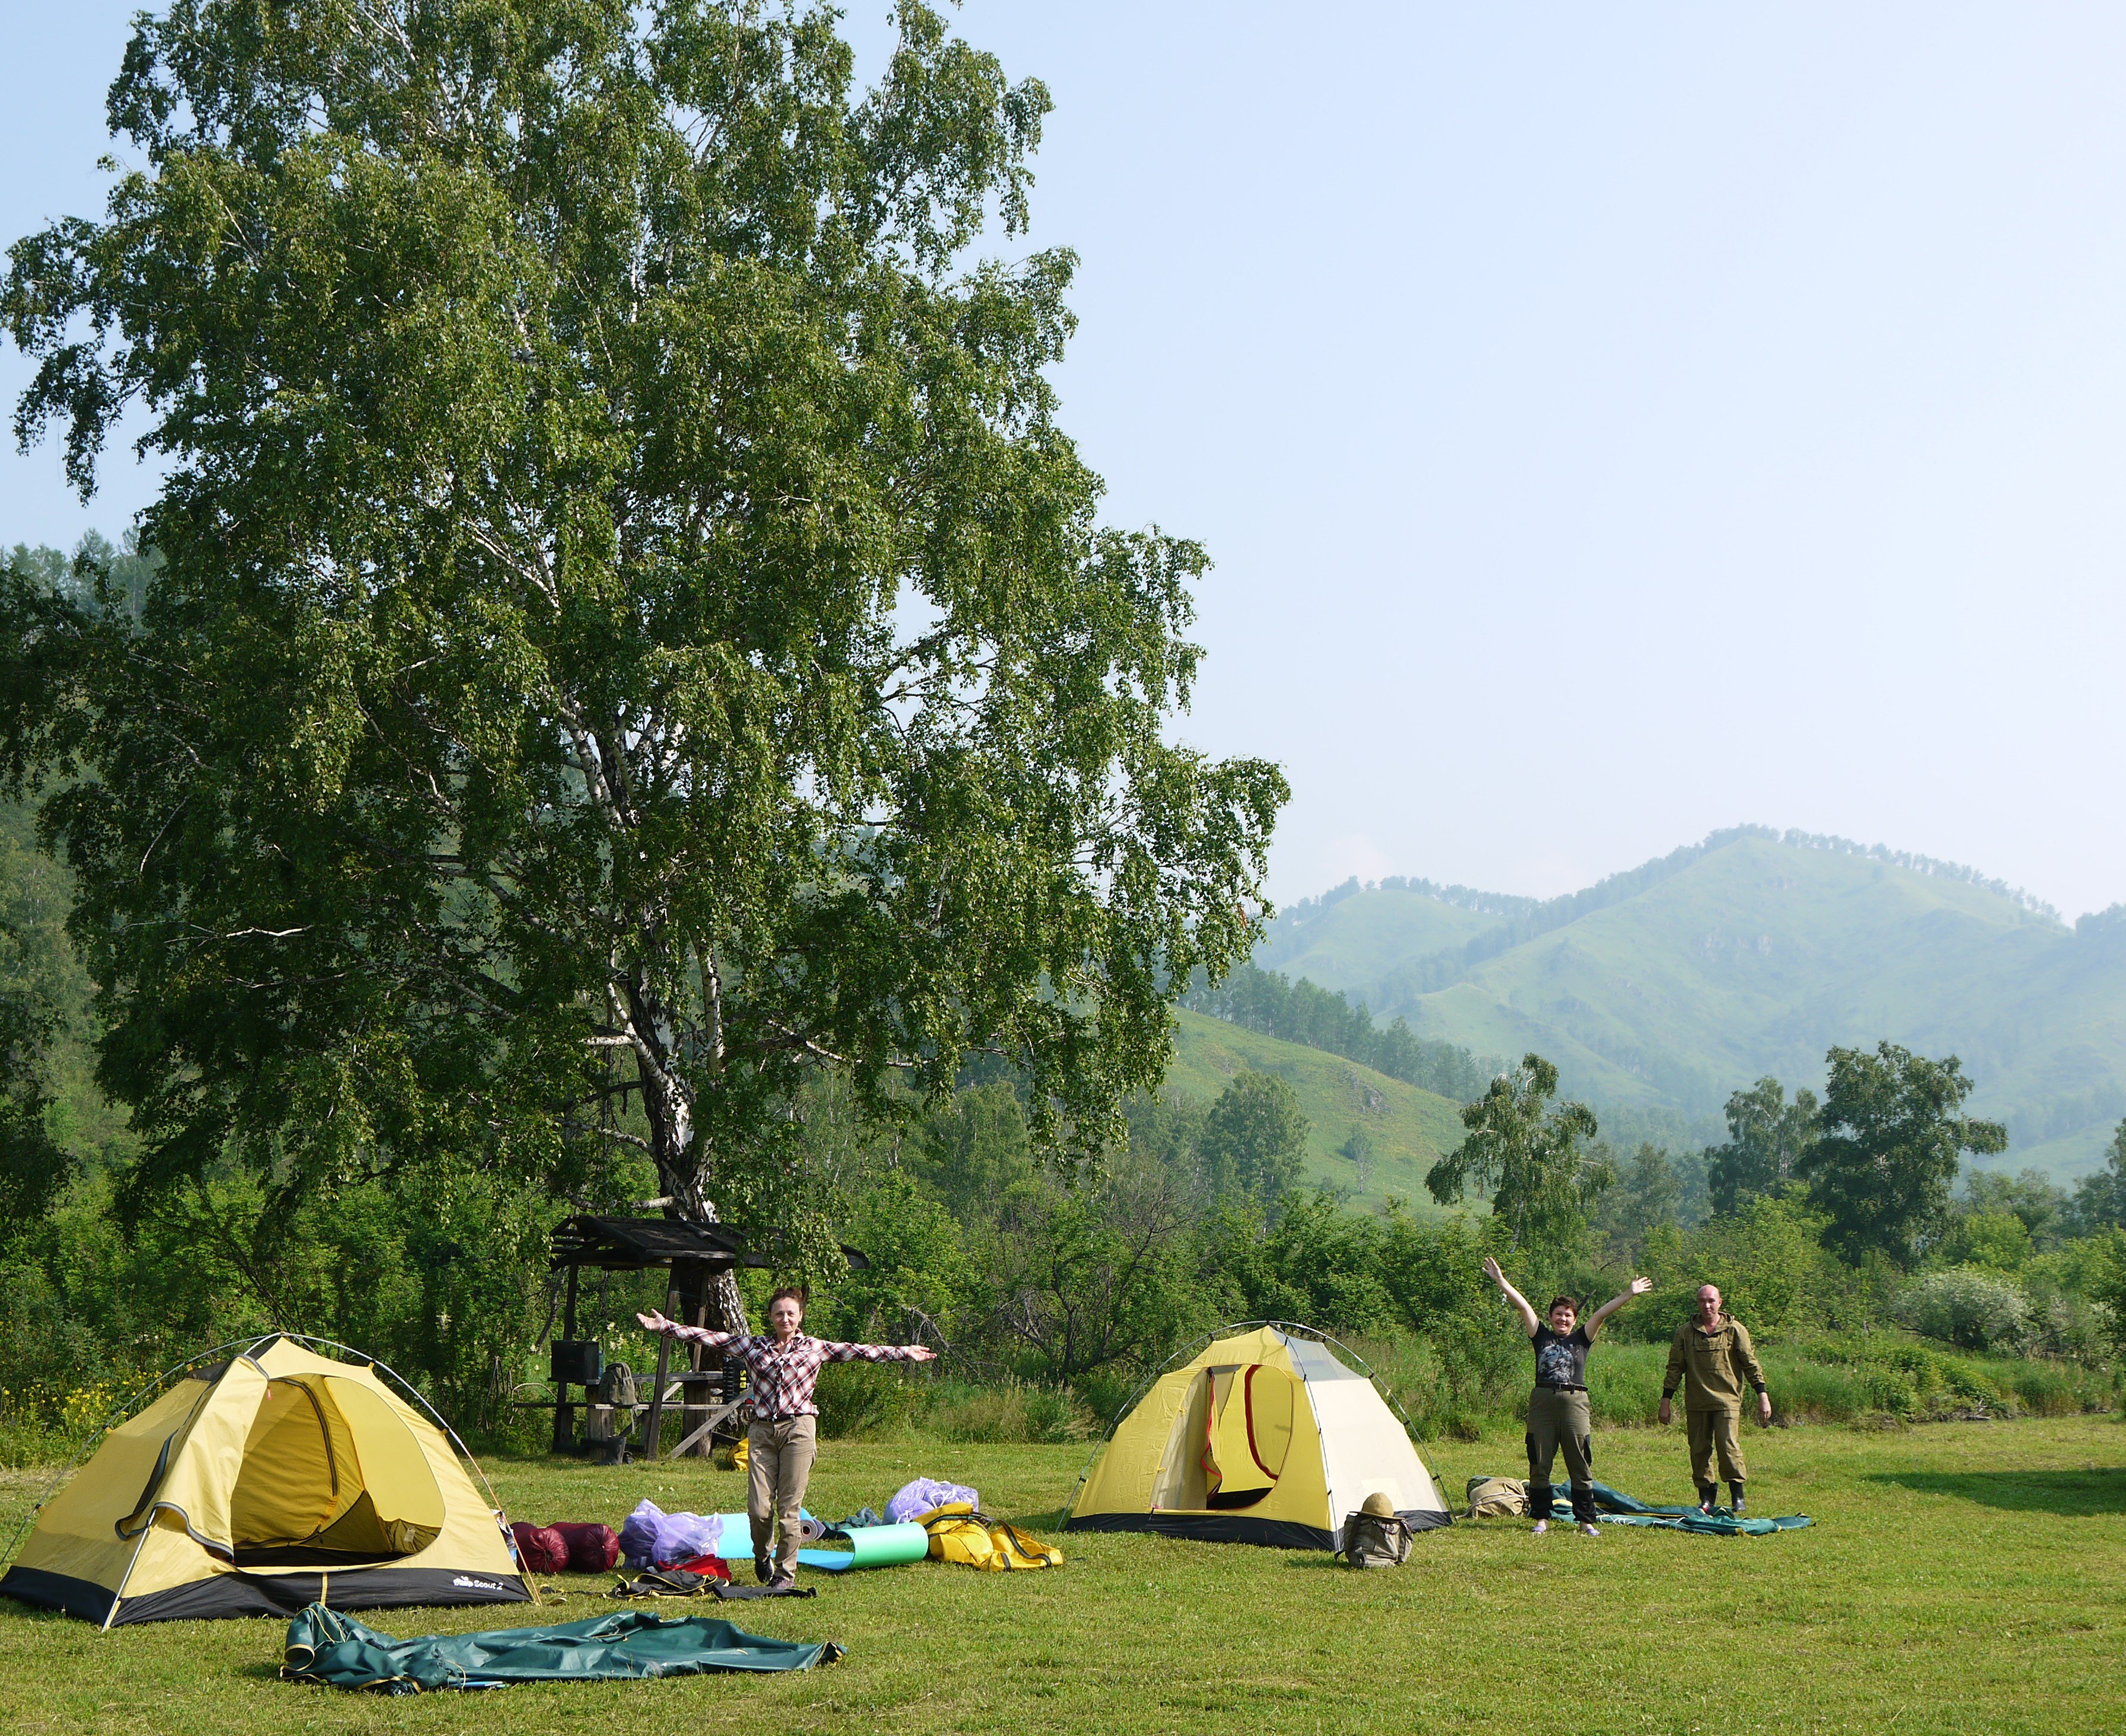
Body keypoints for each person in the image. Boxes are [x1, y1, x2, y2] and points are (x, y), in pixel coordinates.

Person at [637, 1289, 937, 1587]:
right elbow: (709, 1337)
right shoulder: (753, 1347)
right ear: (771, 1317)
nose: (785, 1318)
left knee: (789, 1511)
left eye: (791, 1313)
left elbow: (860, 1351)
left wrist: (904, 1351)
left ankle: (784, 1576)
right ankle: (761, 1554)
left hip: (799, 1430)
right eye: (779, 1313)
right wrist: (666, 1326)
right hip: (763, 1432)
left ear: (800, 1316)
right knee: (759, 1510)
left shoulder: (815, 1348)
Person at [1483, 1256, 1653, 1537]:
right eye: (1558, 1314)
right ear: (1550, 1317)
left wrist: (1628, 1294)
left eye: (1568, 1315)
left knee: (1579, 1462)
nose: (1563, 1319)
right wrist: (1501, 1282)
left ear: (1574, 1321)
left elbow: (1601, 1314)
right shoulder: (1540, 1337)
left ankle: (1586, 1521)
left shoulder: (1582, 1339)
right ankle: (1541, 1519)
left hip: (1575, 1404)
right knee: (1540, 1462)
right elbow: (1523, 1306)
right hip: (1543, 1404)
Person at [1658, 1282, 1772, 1514]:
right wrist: (1666, 1401)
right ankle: (1706, 1497)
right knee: (1699, 1450)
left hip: (1727, 1401)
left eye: (1711, 1301)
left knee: (1728, 1447)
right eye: (1702, 1301)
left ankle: (1737, 1496)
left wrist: (1763, 1395)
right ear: (1697, 1304)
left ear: (1720, 1303)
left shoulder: (1735, 1330)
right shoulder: (1685, 1332)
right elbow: (1675, 1368)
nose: (1707, 1305)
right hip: (1697, 1402)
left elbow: (1750, 1364)